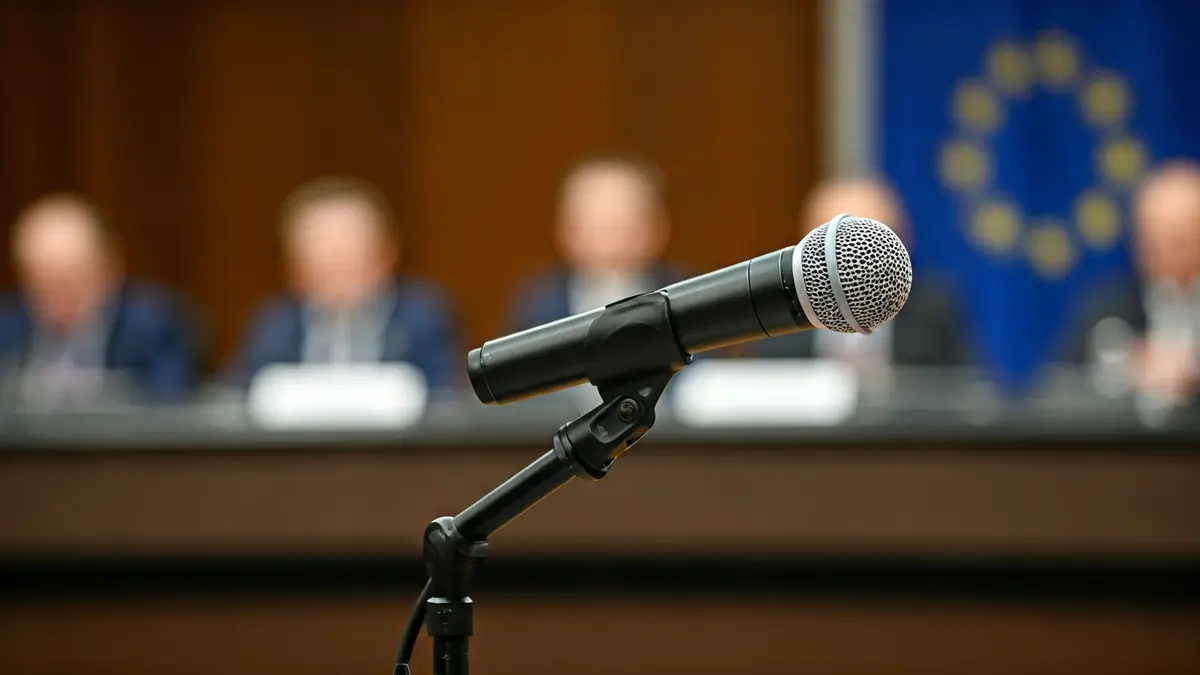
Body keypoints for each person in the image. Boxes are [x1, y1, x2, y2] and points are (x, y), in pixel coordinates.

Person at [231, 176, 462, 393]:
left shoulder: (424, 320)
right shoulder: (275, 327)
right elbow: (237, 397)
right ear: (295, 269)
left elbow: (447, 401)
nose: (337, 273)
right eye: (324, 264)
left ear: (386, 255)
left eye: (348, 260)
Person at [0, 193, 201, 405]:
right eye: (41, 287)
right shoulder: (7, 327)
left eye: (70, 285)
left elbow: (169, 406)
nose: (57, 303)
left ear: (110, 268)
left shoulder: (156, 328)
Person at [754, 177, 973, 368]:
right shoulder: (780, 317)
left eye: (867, 247)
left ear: (902, 244)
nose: (850, 262)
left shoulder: (933, 311)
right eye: (835, 246)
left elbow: (966, 391)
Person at [1065, 160, 1200, 409]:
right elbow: (1067, 388)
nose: (1162, 254)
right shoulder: (1107, 307)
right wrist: (1126, 367)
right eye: (1151, 241)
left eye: (1178, 240)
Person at [509, 152, 684, 330]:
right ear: (565, 232)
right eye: (599, 229)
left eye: (625, 229)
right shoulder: (537, 308)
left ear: (659, 228)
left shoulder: (686, 300)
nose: (612, 248)